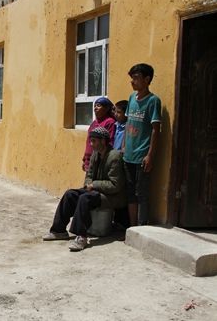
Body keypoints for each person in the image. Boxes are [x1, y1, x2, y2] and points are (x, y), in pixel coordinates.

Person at [43, 127, 126, 251]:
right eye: (90, 141)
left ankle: (81, 236)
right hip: (95, 191)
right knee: (70, 194)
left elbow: (115, 185)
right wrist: (89, 185)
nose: (91, 144)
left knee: (84, 198)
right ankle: (58, 230)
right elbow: (89, 176)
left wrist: (94, 185)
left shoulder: (114, 157)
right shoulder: (95, 155)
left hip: (111, 196)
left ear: (103, 141)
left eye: (94, 141)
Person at [123, 63, 161, 226]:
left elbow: (155, 130)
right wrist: (124, 145)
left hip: (142, 156)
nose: (133, 82)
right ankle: (132, 227)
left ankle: (142, 227)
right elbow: (127, 123)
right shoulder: (131, 98)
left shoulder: (153, 101)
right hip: (128, 155)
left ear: (147, 79)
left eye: (136, 78)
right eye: (132, 78)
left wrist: (150, 155)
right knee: (130, 193)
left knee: (142, 194)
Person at [82, 97, 116, 171]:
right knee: (88, 181)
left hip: (99, 160)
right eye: (95, 106)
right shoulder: (94, 123)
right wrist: (85, 158)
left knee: (95, 182)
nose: (95, 108)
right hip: (89, 159)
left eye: (98, 105)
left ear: (106, 108)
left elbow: (109, 142)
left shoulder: (110, 122)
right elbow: (88, 141)